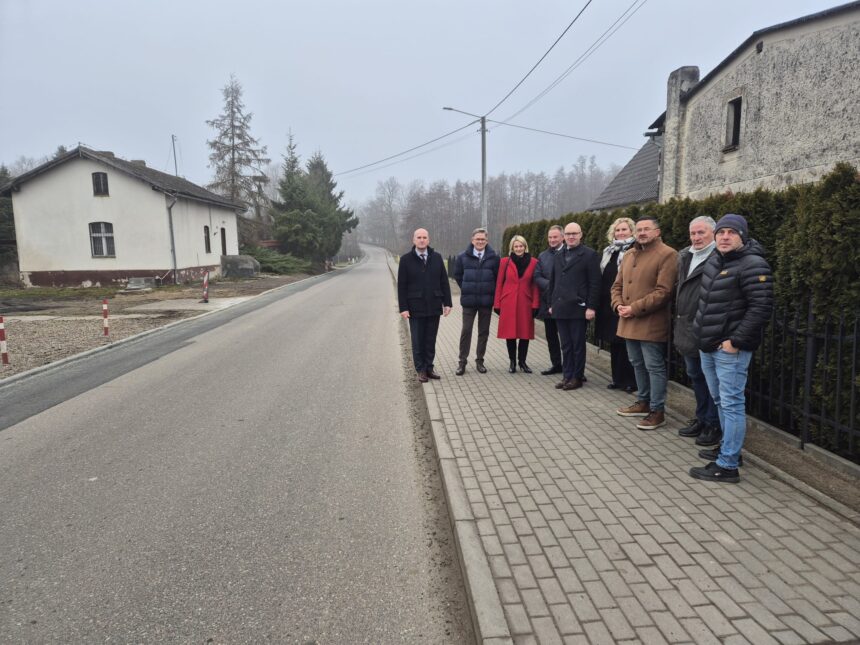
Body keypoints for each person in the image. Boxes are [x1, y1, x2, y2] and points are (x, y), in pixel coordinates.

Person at [690, 214, 773, 483]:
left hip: (729, 350)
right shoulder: (716, 260)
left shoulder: (753, 264)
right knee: (720, 401)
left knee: (732, 404)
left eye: (732, 232)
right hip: (708, 345)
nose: (725, 237)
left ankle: (727, 466)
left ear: (742, 236)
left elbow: (761, 308)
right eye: (721, 232)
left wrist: (735, 342)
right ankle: (729, 450)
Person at [611, 216, 678, 430]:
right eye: (639, 229)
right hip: (627, 320)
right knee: (637, 363)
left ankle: (657, 410)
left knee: (654, 366)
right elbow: (617, 285)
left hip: (651, 322)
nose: (642, 233)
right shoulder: (629, 254)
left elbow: (663, 291)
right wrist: (618, 305)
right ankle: (643, 401)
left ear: (657, 232)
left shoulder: (668, 254)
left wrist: (634, 308)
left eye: (646, 229)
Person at [674, 216, 721, 446]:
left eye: (701, 232)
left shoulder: (719, 257)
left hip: (708, 327)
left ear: (713, 233)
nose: (696, 237)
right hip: (686, 326)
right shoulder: (685, 256)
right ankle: (702, 418)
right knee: (695, 375)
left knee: (711, 380)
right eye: (693, 233)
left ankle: (713, 423)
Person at [547, 222, 600, 391]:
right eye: (568, 234)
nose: (571, 237)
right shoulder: (558, 255)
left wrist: (591, 307)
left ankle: (577, 377)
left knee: (577, 345)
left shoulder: (589, 255)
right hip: (561, 307)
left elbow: (595, 283)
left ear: (580, 235)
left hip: (578, 307)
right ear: (564, 236)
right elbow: (553, 281)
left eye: (574, 234)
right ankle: (567, 375)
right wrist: (551, 303)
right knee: (565, 345)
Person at [397, 228, 452, 383]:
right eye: (419, 237)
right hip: (415, 307)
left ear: (428, 240)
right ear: (413, 240)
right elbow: (402, 286)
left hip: (434, 305)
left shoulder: (437, 257)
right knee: (418, 340)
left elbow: (444, 281)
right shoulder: (406, 260)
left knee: (430, 340)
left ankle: (429, 367)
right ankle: (420, 369)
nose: (422, 240)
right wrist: (403, 307)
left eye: (424, 237)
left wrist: (447, 303)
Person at [595, 217, 637, 393]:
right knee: (614, 342)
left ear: (631, 231)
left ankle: (630, 381)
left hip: (625, 302)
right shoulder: (609, 251)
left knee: (626, 343)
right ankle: (617, 379)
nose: (620, 233)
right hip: (608, 303)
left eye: (624, 230)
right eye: (617, 230)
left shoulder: (634, 250)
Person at [452, 227, 500, 375]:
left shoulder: (494, 257)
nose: (480, 241)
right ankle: (462, 362)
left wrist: (490, 291)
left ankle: (480, 361)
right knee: (466, 330)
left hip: (486, 301)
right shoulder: (463, 257)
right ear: (472, 240)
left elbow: (497, 277)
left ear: (487, 241)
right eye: (477, 239)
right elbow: (458, 276)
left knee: (483, 332)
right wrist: (467, 288)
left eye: (483, 239)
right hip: (469, 301)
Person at [494, 235, 540, 374]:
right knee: (510, 334)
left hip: (525, 302)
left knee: (525, 334)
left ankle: (522, 362)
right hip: (508, 302)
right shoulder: (504, 262)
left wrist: (535, 304)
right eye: (516, 246)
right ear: (512, 248)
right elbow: (499, 283)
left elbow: (535, 286)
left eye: (521, 246)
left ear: (525, 247)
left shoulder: (534, 262)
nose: (519, 249)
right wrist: (497, 304)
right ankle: (512, 362)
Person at [534, 225, 564, 375]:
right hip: (547, 302)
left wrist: (557, 288)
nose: (552, 240)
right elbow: (537, 276)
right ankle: (556, 364)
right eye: (550, 237)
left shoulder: (569, 253)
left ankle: (573, 368)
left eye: (555, 237)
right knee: (551, 337)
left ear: (562, 237)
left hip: (565, 304)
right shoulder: (543, 256)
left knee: (567, 338)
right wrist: (551, 286)